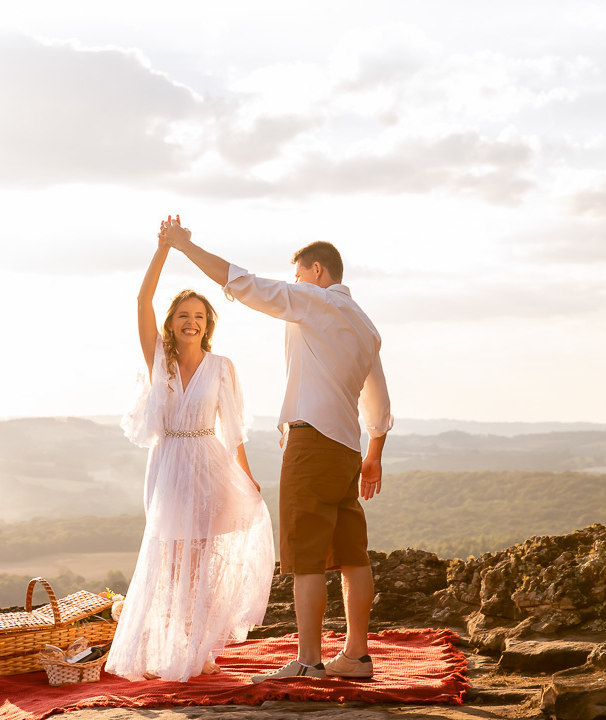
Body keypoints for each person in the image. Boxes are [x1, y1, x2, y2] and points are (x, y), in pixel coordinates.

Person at [159, 217, 391, 682]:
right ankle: (357, 657)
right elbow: (379, 402)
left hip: (312, 443)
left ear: (318, 271)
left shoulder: (314, 300)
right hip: (348, 448)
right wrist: (373, 454)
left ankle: (308, 662)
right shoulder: (366, 326)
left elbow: (243, 283)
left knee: (305, 554)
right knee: (352, 554)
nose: (296, 284)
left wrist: (185, 246)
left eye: (300, 275)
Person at [104, 218, 275, 682]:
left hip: (209, 464)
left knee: (200, 559)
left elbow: (234, 431)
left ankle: (197, 645)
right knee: (171, 557)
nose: (191, 321)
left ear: (208, 324)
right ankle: (172, 641)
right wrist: (165, 249)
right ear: (172, 324)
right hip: (168, 466)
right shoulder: (159, 361)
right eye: (184, 315)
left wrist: (248, 475)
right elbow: (142, 300)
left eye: (199, 316)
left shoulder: (223, 368)